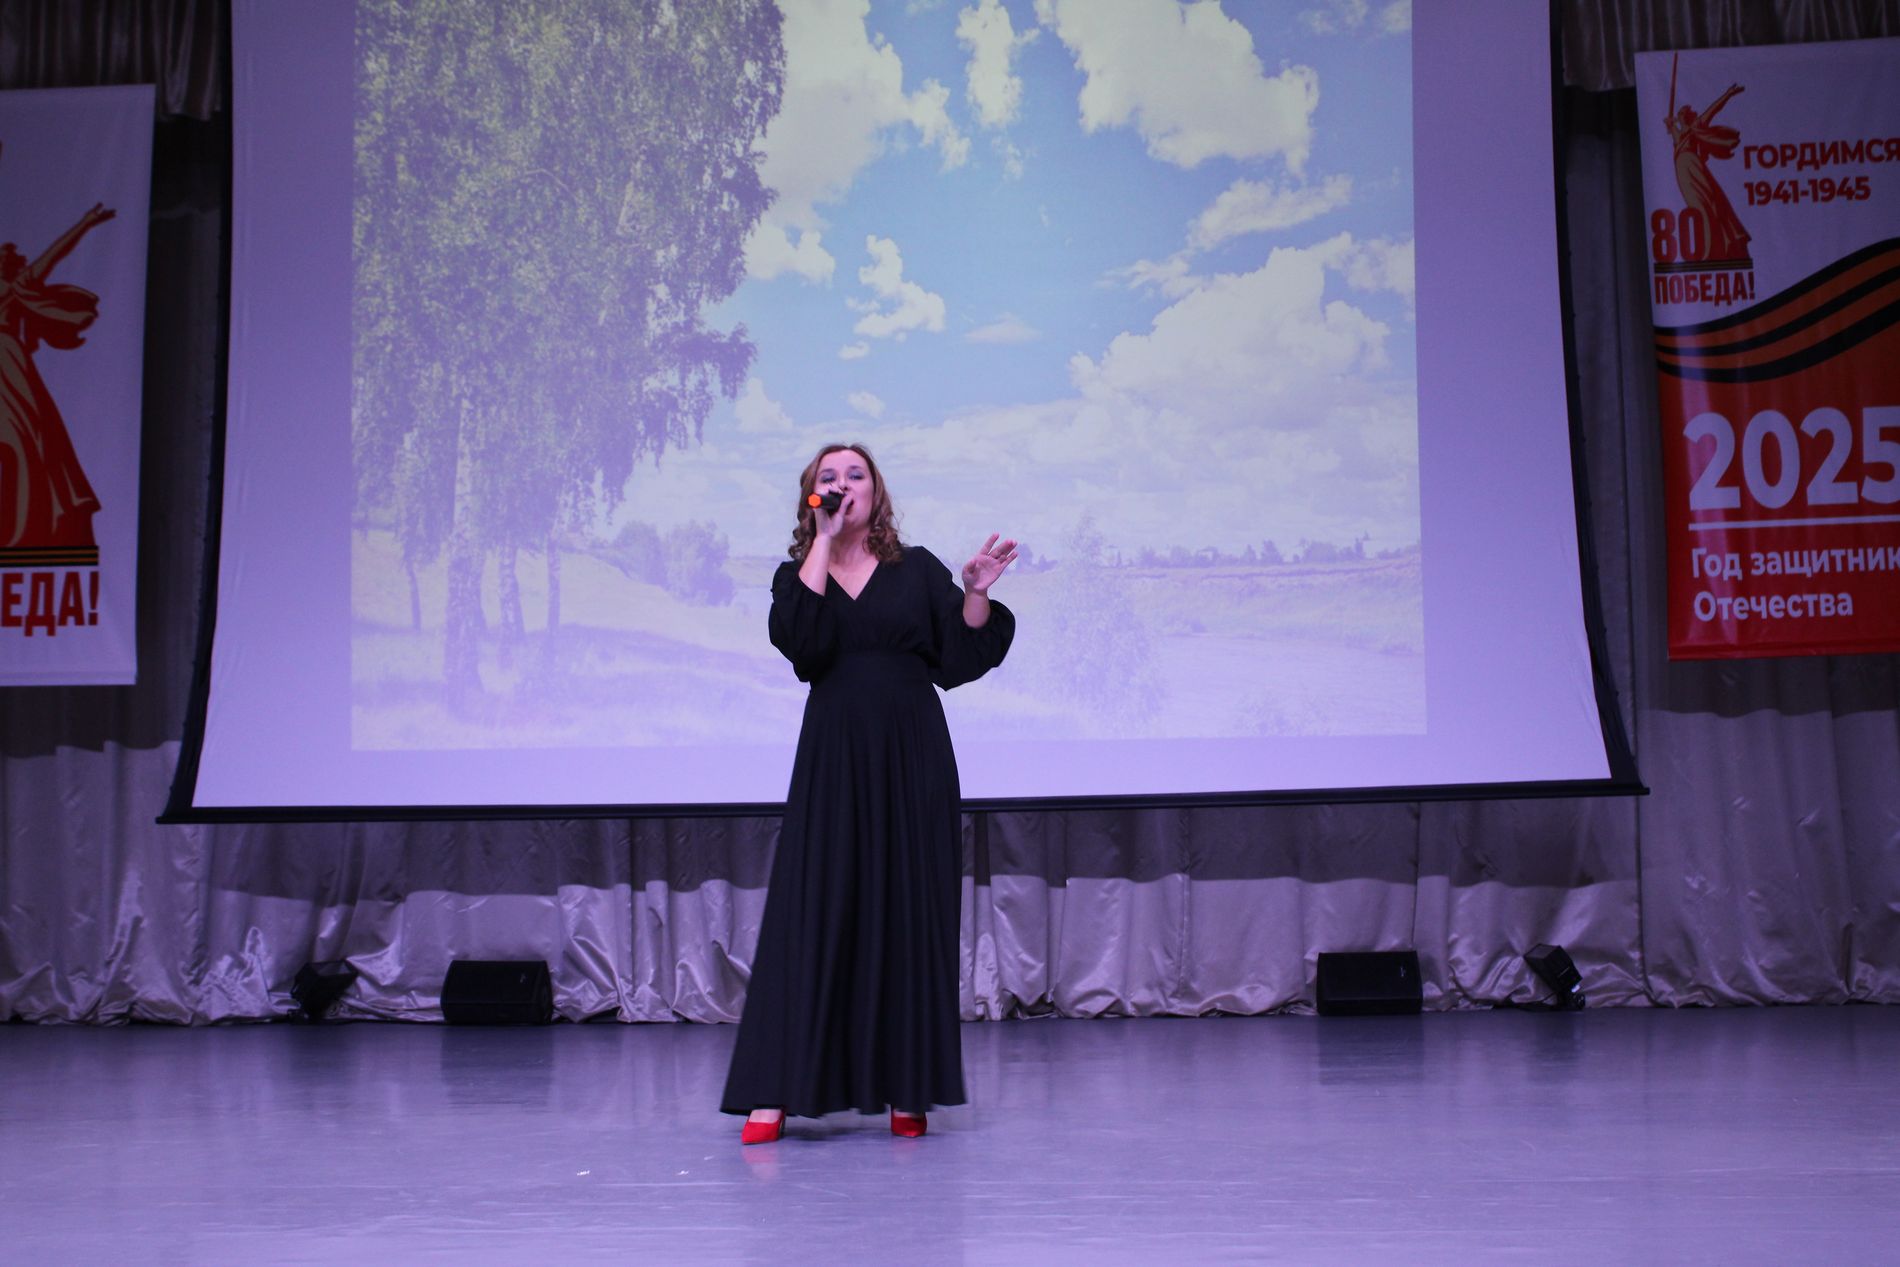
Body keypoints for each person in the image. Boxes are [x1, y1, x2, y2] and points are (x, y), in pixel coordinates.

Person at [721, 443, 1017, 1142]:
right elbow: (802, 646)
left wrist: (976, 593)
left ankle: (906, 1086)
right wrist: (822, 543)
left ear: (876, 491)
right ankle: (775, 1091)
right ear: (812, 496)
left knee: (909, 912)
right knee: (812, 910)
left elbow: (960, 655)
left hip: (912, 753)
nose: (843, 483)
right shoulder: (798, 574)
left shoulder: (915, 568)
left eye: (856, 474)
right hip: (834, 755)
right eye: (829, 477)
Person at [0, 202, 116, 554]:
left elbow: (52, 255)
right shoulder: (18, 285)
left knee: (29, 440)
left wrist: (85, 223)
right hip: (9, 359)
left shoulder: (18, 285)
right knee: (22, 440)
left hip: (8, 363)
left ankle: (25, 528)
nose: (9, 261)